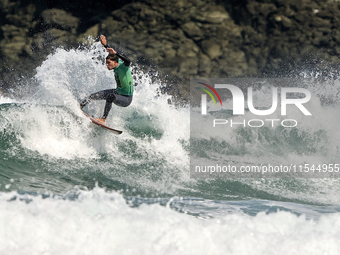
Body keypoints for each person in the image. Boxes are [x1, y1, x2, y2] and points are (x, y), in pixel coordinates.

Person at [80, 35, 133, 123]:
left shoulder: (123, 67)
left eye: (109, 63)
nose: (107, 65)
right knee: (93, 96)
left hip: (126, 99)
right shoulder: (116, 62)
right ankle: (81, 105)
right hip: (118, 92)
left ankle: (103, 118)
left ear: (115, 62)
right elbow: (111, 53)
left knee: (110, 96)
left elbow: (128, 61)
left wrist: (116, 53)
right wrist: (105, 45)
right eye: (106, 63)